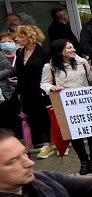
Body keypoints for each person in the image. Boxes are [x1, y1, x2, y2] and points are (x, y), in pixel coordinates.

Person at [42, 39, 92, 174]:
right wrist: (52, 87)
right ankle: (84, 162)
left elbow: (91, 80)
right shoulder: (50, 67)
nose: (73, 50)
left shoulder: (82, 62)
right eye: (69, 48)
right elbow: (44, 83)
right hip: (67, 105)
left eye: (73, 47)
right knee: (75, 134)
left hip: (86, 102)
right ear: (59, 51)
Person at [14, 25, 52, 158]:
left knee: (44, 117)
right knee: (33, 118)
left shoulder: (43, 52)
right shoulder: (20, 52)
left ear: (29, 37)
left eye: (20, 36)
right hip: (25, 92)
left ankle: (49, 144)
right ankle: (42, 143)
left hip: (40, 91)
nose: (16, 39)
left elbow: (49, 73)